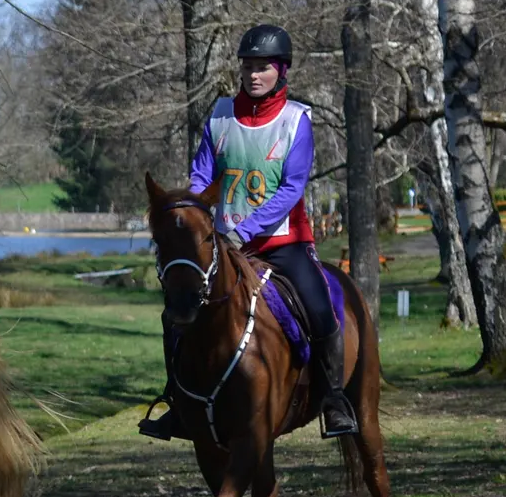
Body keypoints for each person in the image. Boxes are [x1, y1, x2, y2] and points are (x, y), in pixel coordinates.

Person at [141, 22, 358, 441]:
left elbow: (292, 188)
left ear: (281, 70)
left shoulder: (296, 121)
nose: (254, 75)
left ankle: (333, 399)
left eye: (263, 67)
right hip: (225, 244)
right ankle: (178, 401)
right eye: (247, 67)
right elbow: (202, 173)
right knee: (178, 311)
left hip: (283, 242)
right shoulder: (221, 115)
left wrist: (247, 229)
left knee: (319, 307)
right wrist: (197, 211)